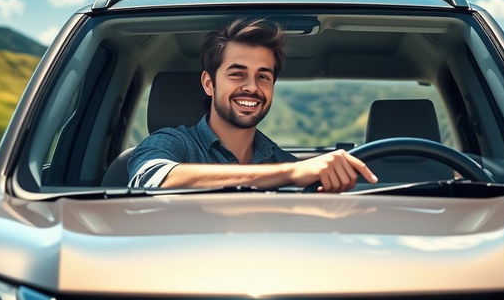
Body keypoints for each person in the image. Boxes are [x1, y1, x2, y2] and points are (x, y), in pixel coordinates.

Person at [128, 18, 377, 192]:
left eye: (263, 76)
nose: (252, 87)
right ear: (209, 83)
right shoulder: (172, 143)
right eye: (237, 73)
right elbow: (151, 180)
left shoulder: (283, 160)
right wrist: (290, 174)